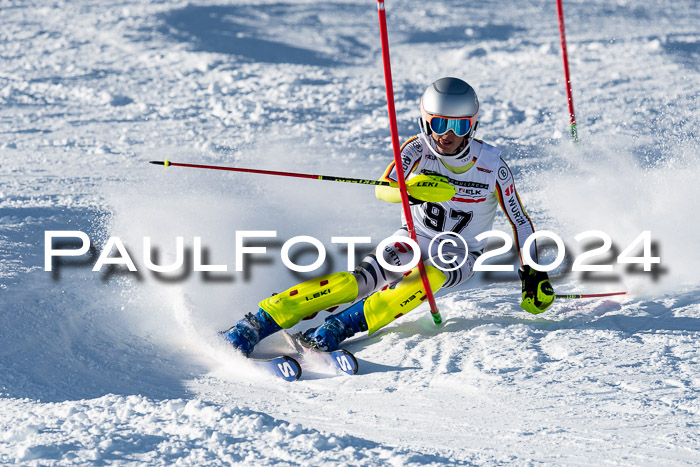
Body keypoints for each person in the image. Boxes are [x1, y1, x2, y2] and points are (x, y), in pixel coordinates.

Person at [221, 77, 555, 356]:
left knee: (432, 275)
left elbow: (520, 221)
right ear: (426, 121)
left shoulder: (492, 166)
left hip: (461, 251)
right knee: (358, 280)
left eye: (459, 125)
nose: (447, 134)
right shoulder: (415, 149)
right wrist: (411, 191)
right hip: (413, 237)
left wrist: (534, 272)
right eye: (439, 123)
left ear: (473, 124)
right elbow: (383, 189)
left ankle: (340, 326)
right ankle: (258, 322)